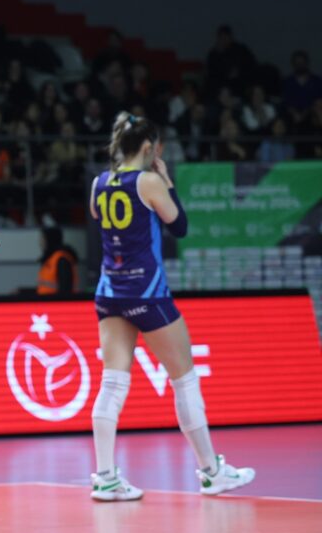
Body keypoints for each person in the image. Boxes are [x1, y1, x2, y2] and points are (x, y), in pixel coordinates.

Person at [88, 112, 255, 501]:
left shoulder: (99, 182)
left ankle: (106, 477)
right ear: (149, 147)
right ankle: (211, 472)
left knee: (112, 382)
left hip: (110, 291)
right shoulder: (147, 181)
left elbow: (99, 221)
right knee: (184, 378)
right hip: (147, 292)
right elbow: (179, 227)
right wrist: (167, 182)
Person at [36, 226, 78, 295]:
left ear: (50, 239)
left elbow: (65, 290)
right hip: (46, 300)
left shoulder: (62, 260)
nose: (40, 242)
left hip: (57, 301)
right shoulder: (49, 259)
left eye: (43, 238)